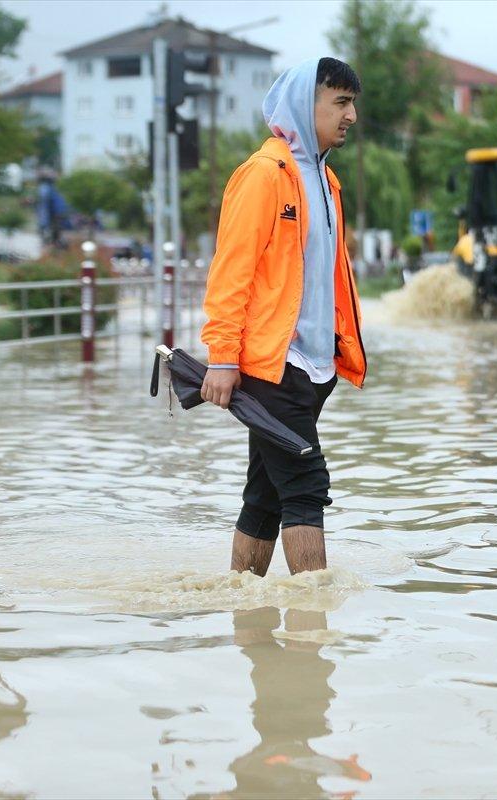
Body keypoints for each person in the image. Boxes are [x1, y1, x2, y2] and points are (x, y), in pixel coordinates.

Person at [200, 58, 367, 576]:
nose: (351, 115)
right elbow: (232, 272)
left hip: (314, 368)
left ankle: (244, 609)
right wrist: (223, 357)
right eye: (340, 102)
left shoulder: (326, 180)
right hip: (274, 366)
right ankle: (311, 624)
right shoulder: (263, 176)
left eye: (352, 103)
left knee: (267, 493)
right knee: (305, 484)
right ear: (306, 104)